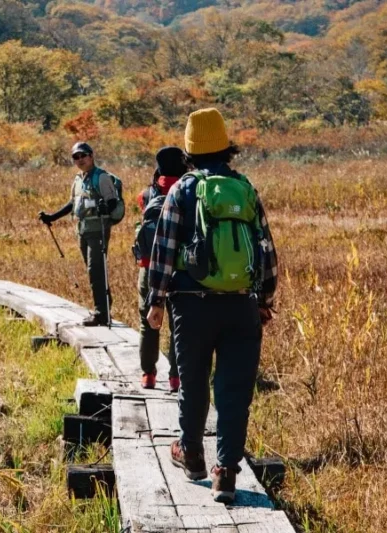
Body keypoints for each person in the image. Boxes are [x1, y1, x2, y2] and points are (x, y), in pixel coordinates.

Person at [146, 108, 278, 504]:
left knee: (194, 382)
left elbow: (164, 251)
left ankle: (192, 456)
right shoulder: (244, 188)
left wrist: (156, 300)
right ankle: (226, 472)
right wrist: (265, 300)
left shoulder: (182, 190)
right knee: (235, 391)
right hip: (241, 304)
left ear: (189, 150)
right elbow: (266, 249)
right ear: (226, 147)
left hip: (191, 305)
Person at [39, 142, 121, 326]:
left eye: (83, 155)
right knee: (94, 271)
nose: (80, 160)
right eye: (75, 157)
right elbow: (72, 204)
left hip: (98, 229)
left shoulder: (101, 177)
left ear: (91, 156)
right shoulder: (78, 179)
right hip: (83, 230)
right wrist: (52, 216)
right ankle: (104, 309)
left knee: (96, 270)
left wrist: (104, 208)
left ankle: (101, 313)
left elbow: (113, 203)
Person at [134, 147, 186, 392]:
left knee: (148, 321)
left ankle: (148, 375)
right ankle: (176, 378)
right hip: (180, 267)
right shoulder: (188, 192)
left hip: (148, 267)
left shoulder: (146, 195)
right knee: (178, 323)